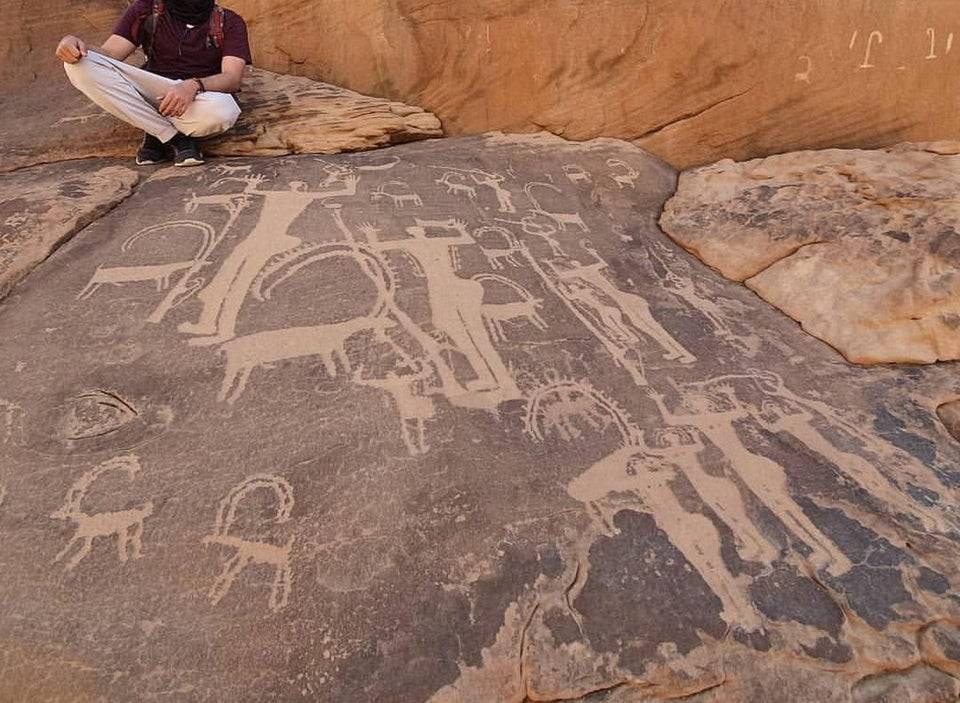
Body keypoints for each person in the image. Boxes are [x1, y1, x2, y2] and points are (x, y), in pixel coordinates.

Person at [55, 0, 252, 167]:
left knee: (224, 110)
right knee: (79, 65)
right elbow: (110, 55)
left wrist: (192, 86)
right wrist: (72, 42)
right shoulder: (146, 9)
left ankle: (153, 131)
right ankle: (175, 138)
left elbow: (232, 78)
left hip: (194, 97)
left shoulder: (229, 21)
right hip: (153, 91)